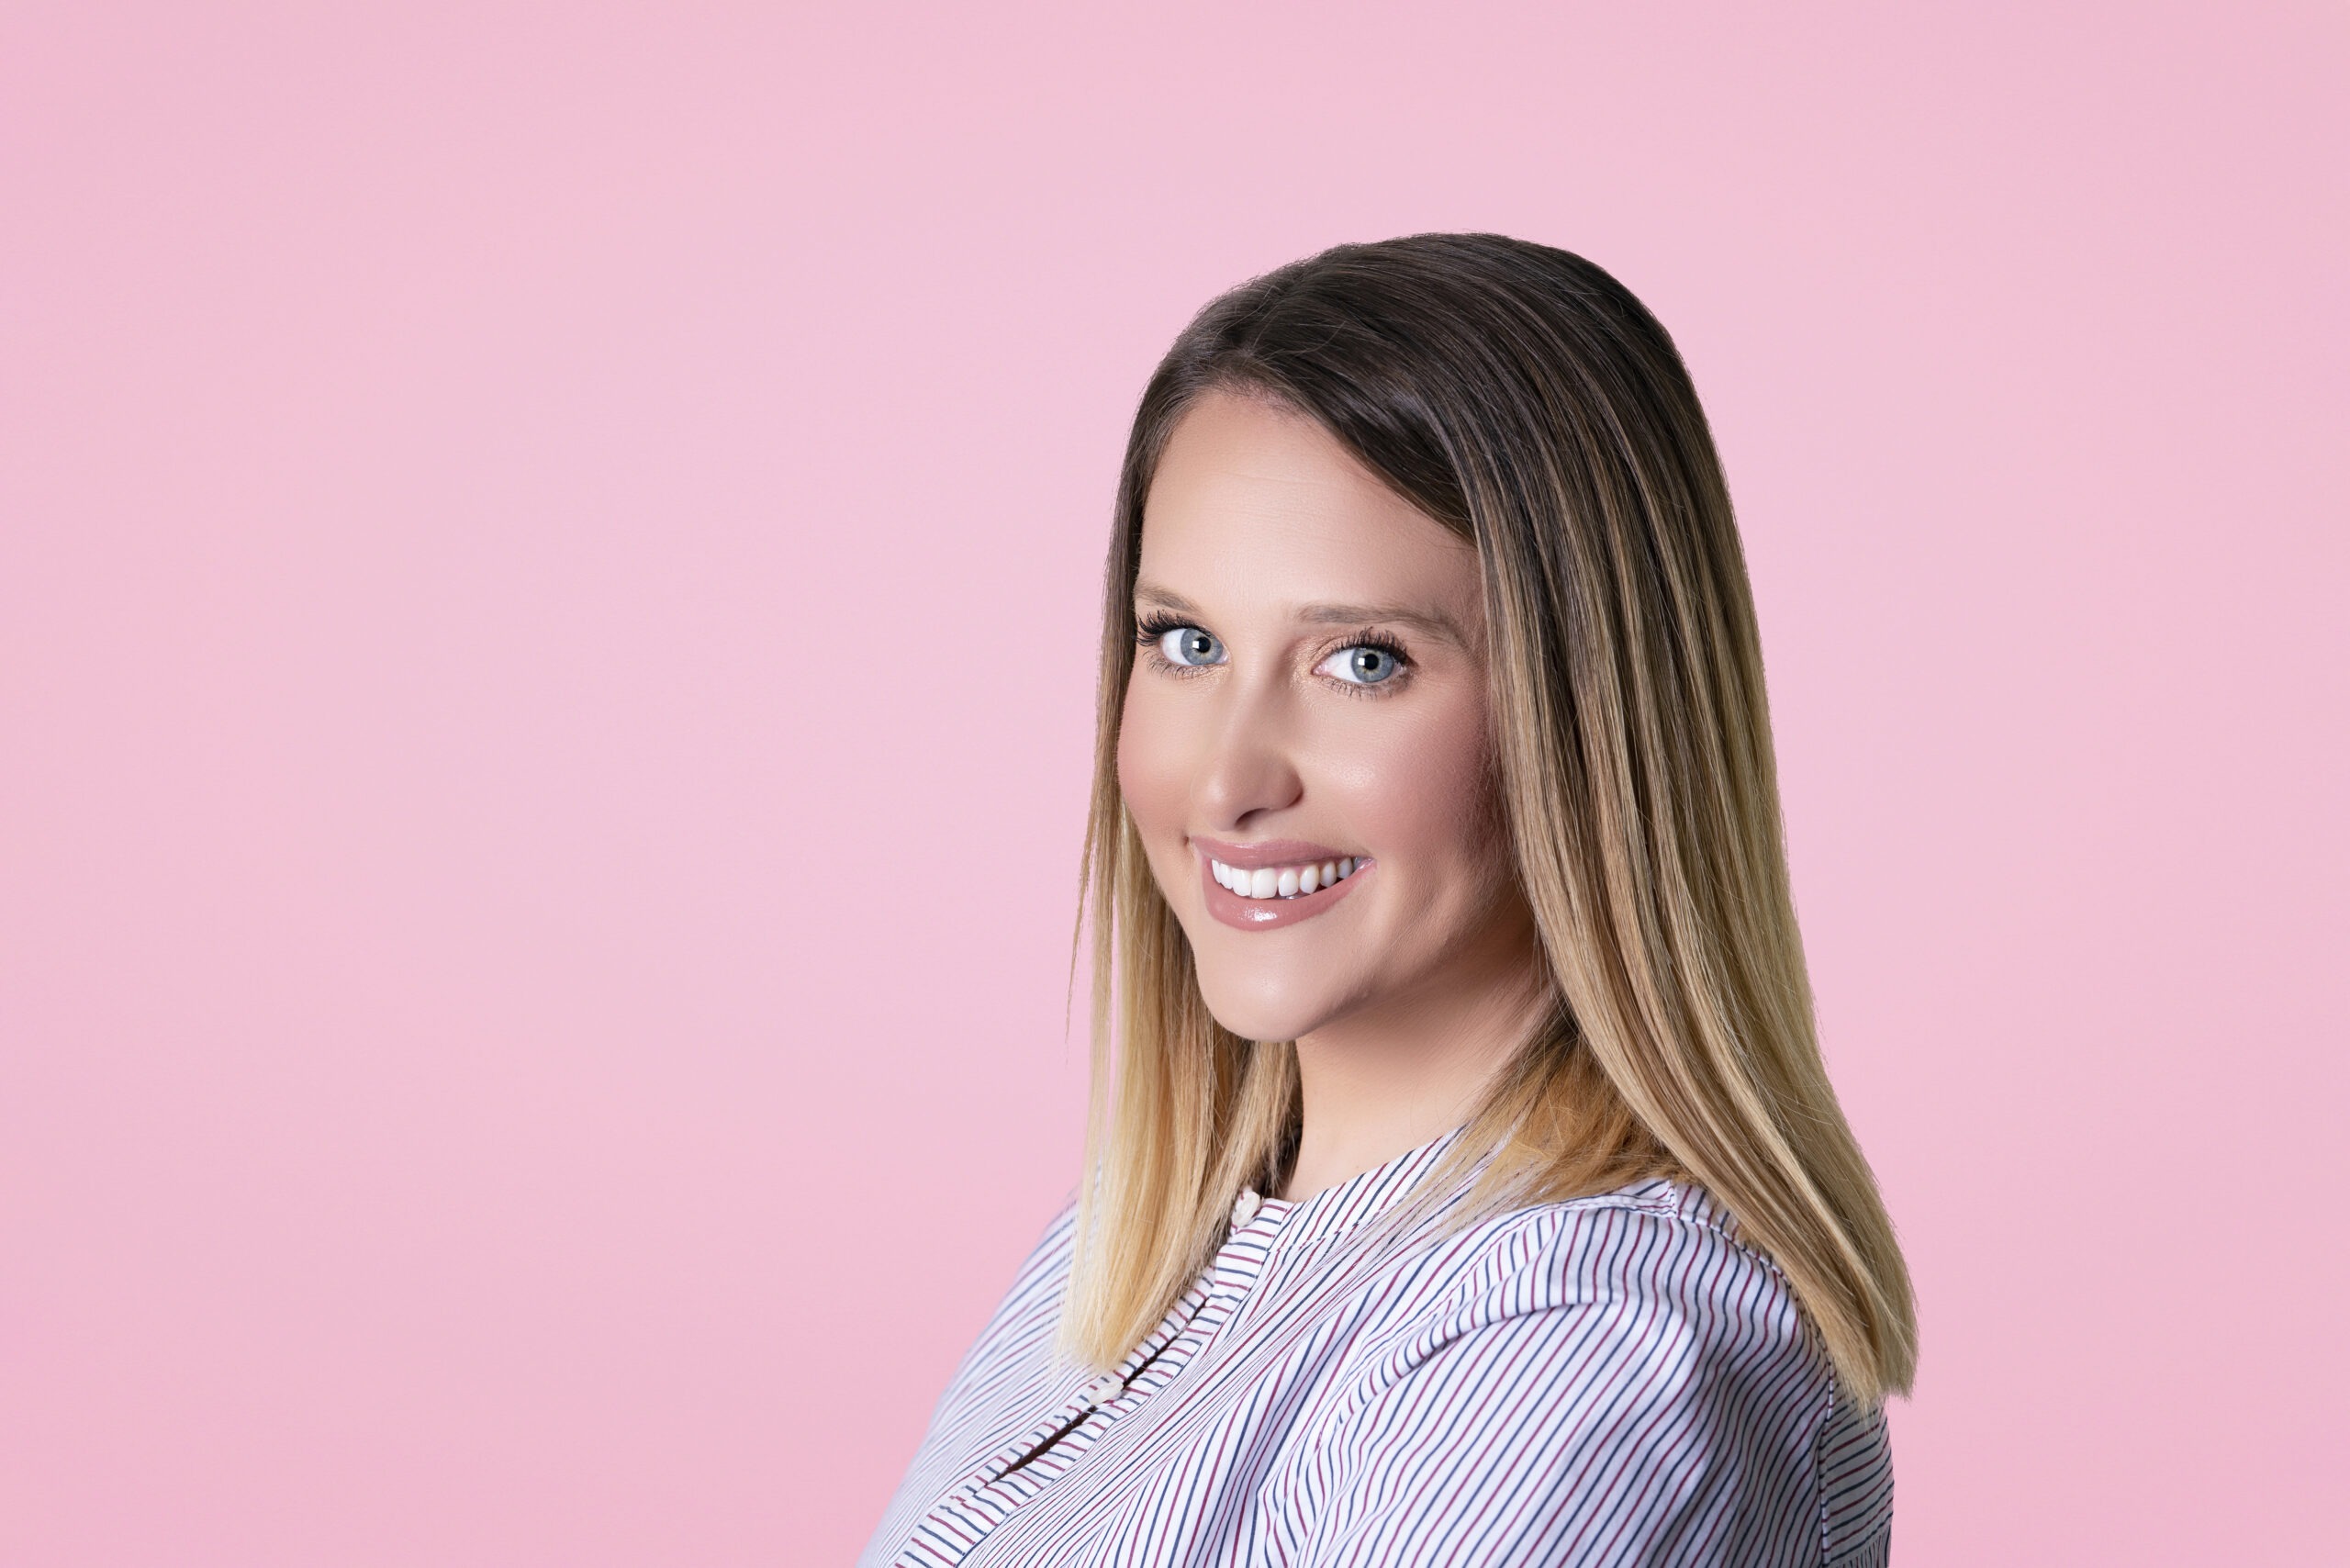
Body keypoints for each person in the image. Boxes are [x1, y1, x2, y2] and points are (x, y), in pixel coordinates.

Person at [861, 233, 1916, 1567]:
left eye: (1364, 660)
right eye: (1185, 644)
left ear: (1594, 717)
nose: (1227, 779)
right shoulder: (1129, 1255)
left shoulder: (1567, 1348)